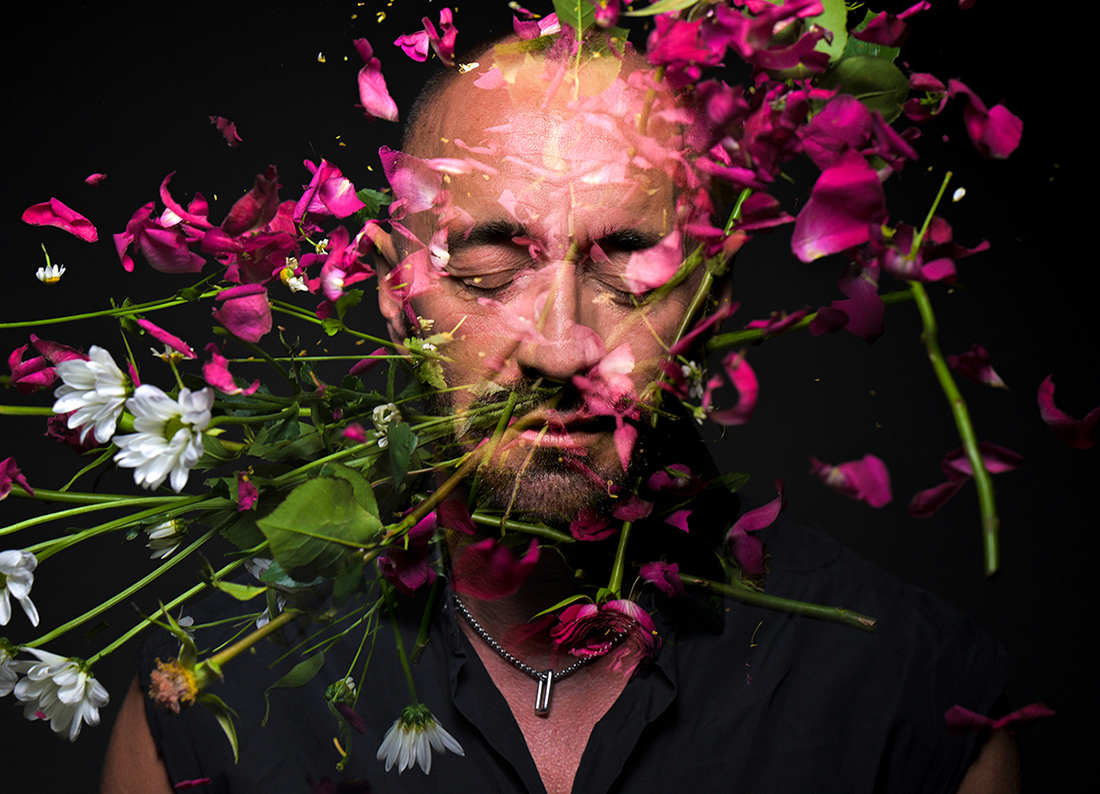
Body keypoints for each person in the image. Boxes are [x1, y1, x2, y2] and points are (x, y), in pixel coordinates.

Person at [101, 34, 1020, 794]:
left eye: (628, 267)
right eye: (490, 267)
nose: (560, 347)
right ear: (395, 289)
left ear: (712, 295)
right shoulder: (216, 689)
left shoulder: (911, 698)